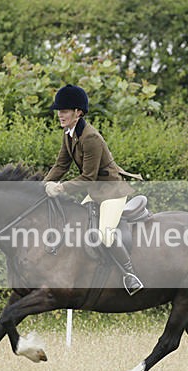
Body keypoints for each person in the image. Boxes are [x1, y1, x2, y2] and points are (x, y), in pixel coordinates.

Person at [43, 84, 144, 295]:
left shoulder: (91, 138)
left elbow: (88, 177)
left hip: (112, 193)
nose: (60, 115)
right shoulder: (69, 134)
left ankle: (130, 275)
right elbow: (61, 165)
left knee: (105, 234)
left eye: (65, 111)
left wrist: (60, 188)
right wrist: (42, 185)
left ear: (78, 112)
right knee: (77, 228)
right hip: (97, 192)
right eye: (59, 111)